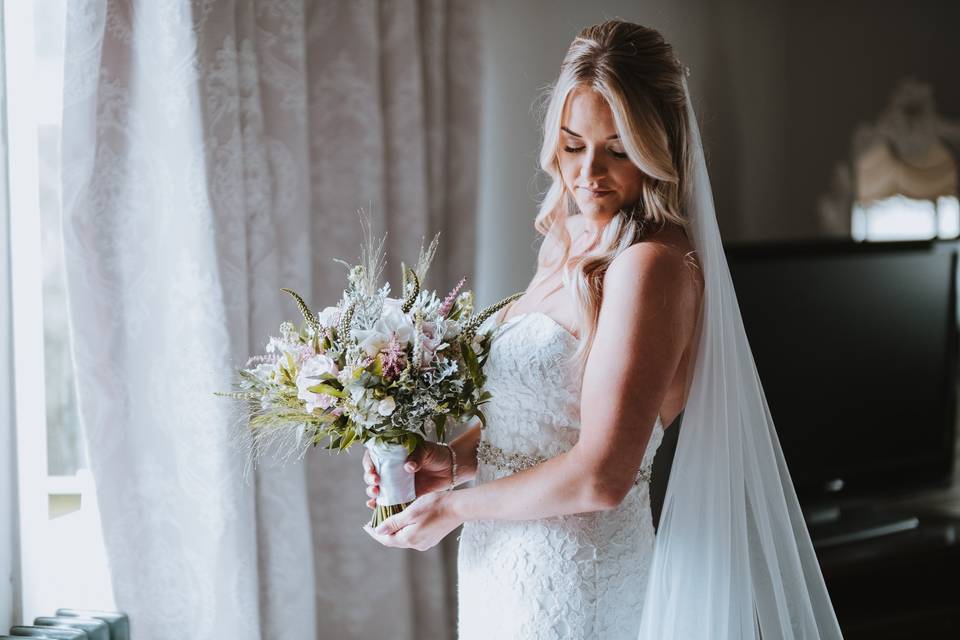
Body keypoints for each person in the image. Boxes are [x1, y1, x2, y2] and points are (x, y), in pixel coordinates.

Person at [362, 19, 844, 640]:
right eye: (571, 144)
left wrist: (453, 506)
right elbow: (543, 423)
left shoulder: (651, 266)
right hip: (502, 572)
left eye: (617, 149)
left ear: (659, 147)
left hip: (575, 585)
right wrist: (448, 464)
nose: (588, 172)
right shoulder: (570, 241)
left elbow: (602, 474)